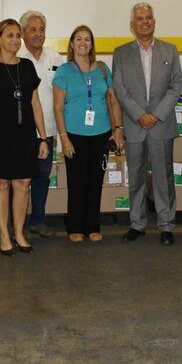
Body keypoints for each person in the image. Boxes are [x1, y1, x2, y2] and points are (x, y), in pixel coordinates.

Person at [0, 19, 49, 256]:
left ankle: (19, 232)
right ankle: (4, 235)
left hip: (25, 135)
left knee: (23, 185)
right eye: (9, 35)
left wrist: (43, 138)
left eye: (17, 35)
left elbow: (35, 103)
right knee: (2, 184)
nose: (15, 40)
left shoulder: (26, 66)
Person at [112, 3, 182, 245]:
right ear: (132, 25)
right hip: (134, 125)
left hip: (161, 125)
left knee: (164, 177)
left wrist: (156, 114)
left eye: (149, 18)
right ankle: (137, 224)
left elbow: (175, 87)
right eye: (140, 18)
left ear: (154, 22)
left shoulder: (170, 51)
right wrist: (139, 114)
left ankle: (166, 225)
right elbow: (119, 90)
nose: (145, 22)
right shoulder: (120, 53)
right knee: (136, 176)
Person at [53, 25, 124, 242]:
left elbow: (112, 100)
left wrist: (118, 130)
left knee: (95, 181)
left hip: (101, 133)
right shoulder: (64, 71)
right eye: (78, 39)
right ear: (72, 44)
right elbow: (57, 107)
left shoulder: (103, 69)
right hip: (74, 135)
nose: (83, 43)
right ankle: (74, 225)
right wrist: (64, 138)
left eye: (87, 39)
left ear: (92, 44)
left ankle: (92, 225)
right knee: (77, 182)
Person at [18, 10, 63, 237]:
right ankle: (16, 225)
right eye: (33, 29)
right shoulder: (15, 57)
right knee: (19, 180)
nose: (38, 34)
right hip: (22, 132)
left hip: (48, 130)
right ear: (23, 32)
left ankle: (38, 220)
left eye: (42, 29)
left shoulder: (55, 58)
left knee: (42, 179)